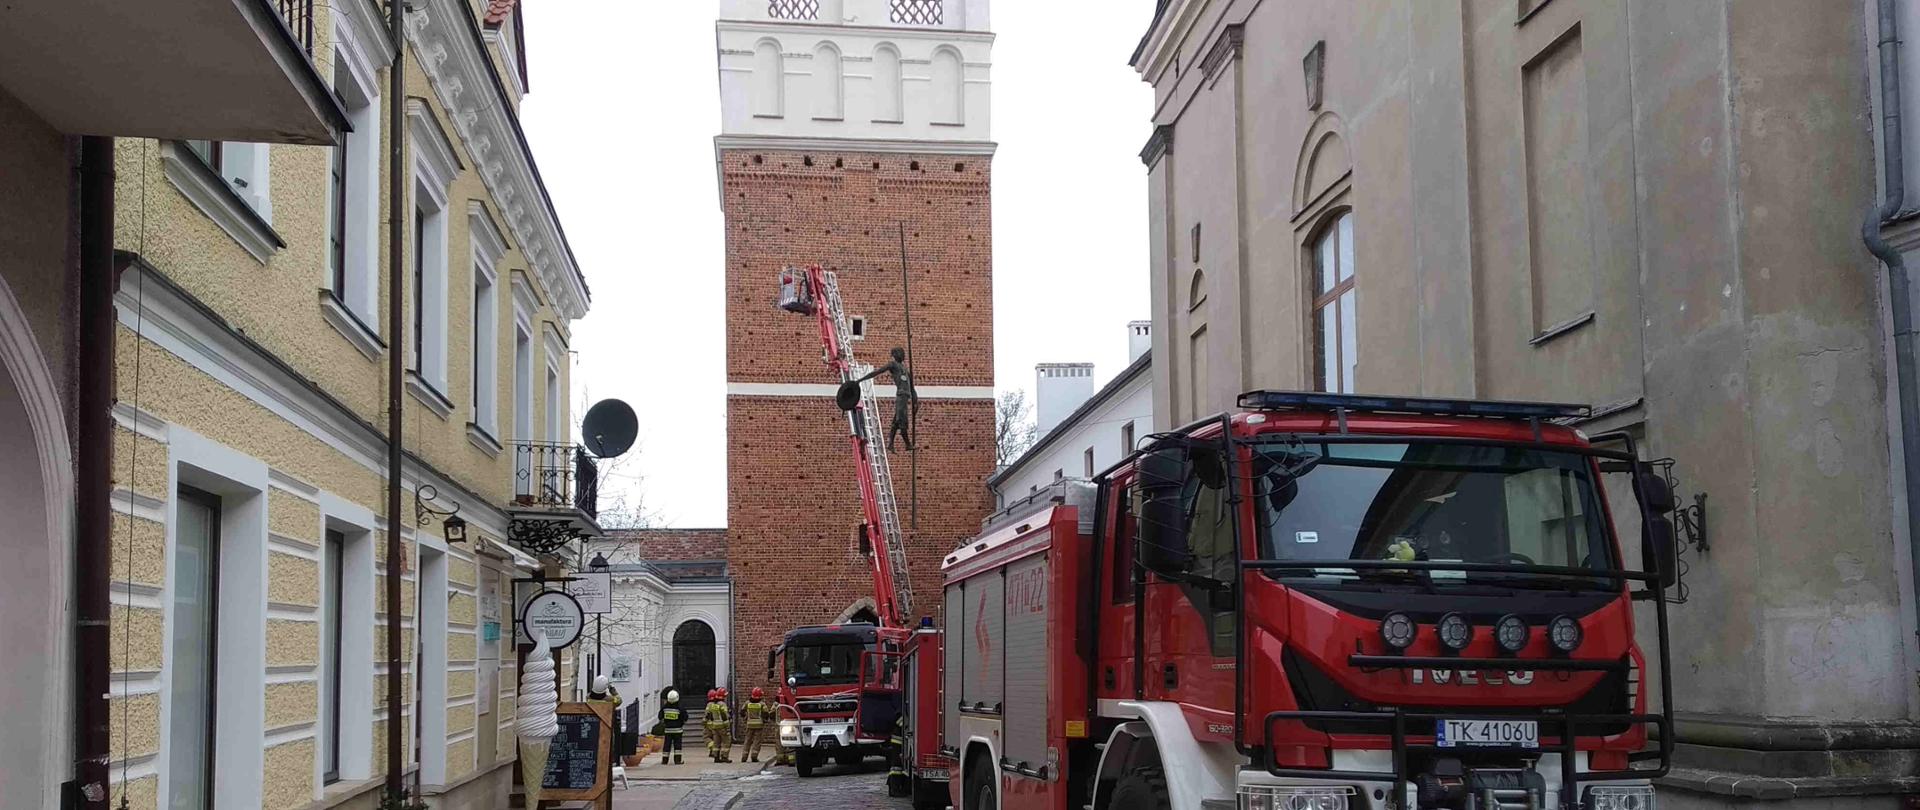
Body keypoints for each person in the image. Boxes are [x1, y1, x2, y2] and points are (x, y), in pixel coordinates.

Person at [854, 347, 918, 452]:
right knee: (902, 421)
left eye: (903, 353)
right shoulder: (893, 365)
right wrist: (860, 380)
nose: (902, 355)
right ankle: (907, 444)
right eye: (899, 353)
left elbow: (912, 388)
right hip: (901, 396)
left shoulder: (906, 370)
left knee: (896, 421)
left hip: (906, 398)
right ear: (895, 355)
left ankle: (890, 444)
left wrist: (916, 402)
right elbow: (877, 372)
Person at [742, 687, 775, 762]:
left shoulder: (747, 703)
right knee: (757, 741)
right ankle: (754, 756)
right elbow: (766, 714)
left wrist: (745, 718)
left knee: (747, 740)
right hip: (759, 725)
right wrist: (765, 720)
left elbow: (742, 712)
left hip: (749, 724)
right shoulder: (762, 704)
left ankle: (744, 756)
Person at [657, 688, 684, 765]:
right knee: (677, 746)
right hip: (678, 730)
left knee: (666, 746)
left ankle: (665, 761)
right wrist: (681, 723)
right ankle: (677, 761)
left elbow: (660, 716)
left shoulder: (665, 708)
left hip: (668, 730)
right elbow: (685, 717)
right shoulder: (680, 708)